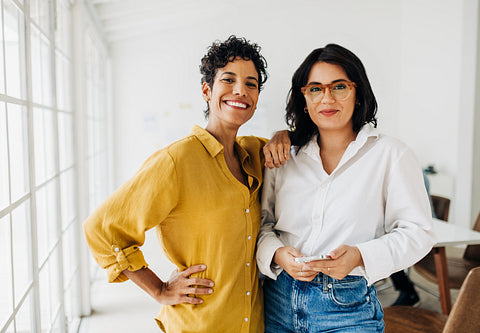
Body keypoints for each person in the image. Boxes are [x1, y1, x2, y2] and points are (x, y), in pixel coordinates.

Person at [84, 35, 289, 333]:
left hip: (253, 324)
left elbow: (312, 142)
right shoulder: (176, 160)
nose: (240, 91)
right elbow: (102, 228)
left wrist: (284, 133)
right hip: (198, 324)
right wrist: (159, 290)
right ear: (207, 90)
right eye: (228, 80)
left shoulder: (256, 154)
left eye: (251, 84)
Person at [256, 43, 436, 332]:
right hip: (277, 300)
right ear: (305, 99)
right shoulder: (284, 156)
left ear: (358, 93)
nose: (327, 98)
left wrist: (360, 256)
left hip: (347, 307)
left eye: (339, 86)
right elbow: (264, 226)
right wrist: (278, 255)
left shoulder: (391, 155)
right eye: (315, 89)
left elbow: (418, 233)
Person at [389, 171, 436, 306]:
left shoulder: (416, 174)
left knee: (390, 244)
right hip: (407, 223)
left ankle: (408, 291)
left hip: (421, 226)